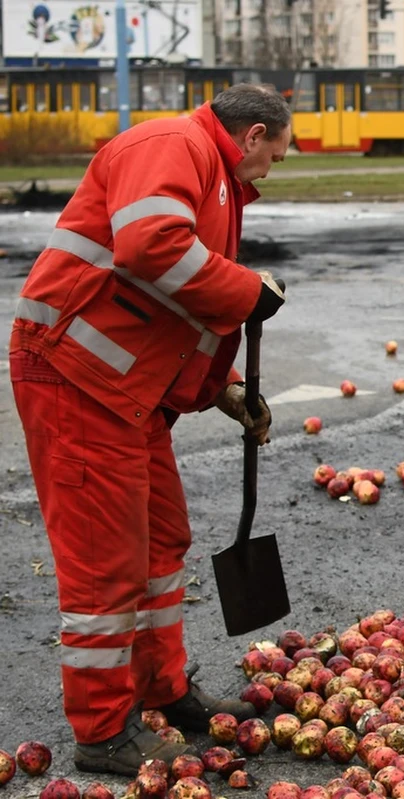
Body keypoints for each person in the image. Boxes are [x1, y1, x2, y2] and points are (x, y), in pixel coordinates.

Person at [9, 84, 290, 776]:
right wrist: (248, 291)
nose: (271, 171)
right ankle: (103, 729)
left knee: (162, 538)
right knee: (107, 559)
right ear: (251, 135)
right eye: (275, 156)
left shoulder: (215, 181)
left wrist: (221, 391)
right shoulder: (172, 146)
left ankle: (162, 687)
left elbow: (172, 314)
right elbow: (151, 249)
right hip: (73, 378)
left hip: (125, 393)